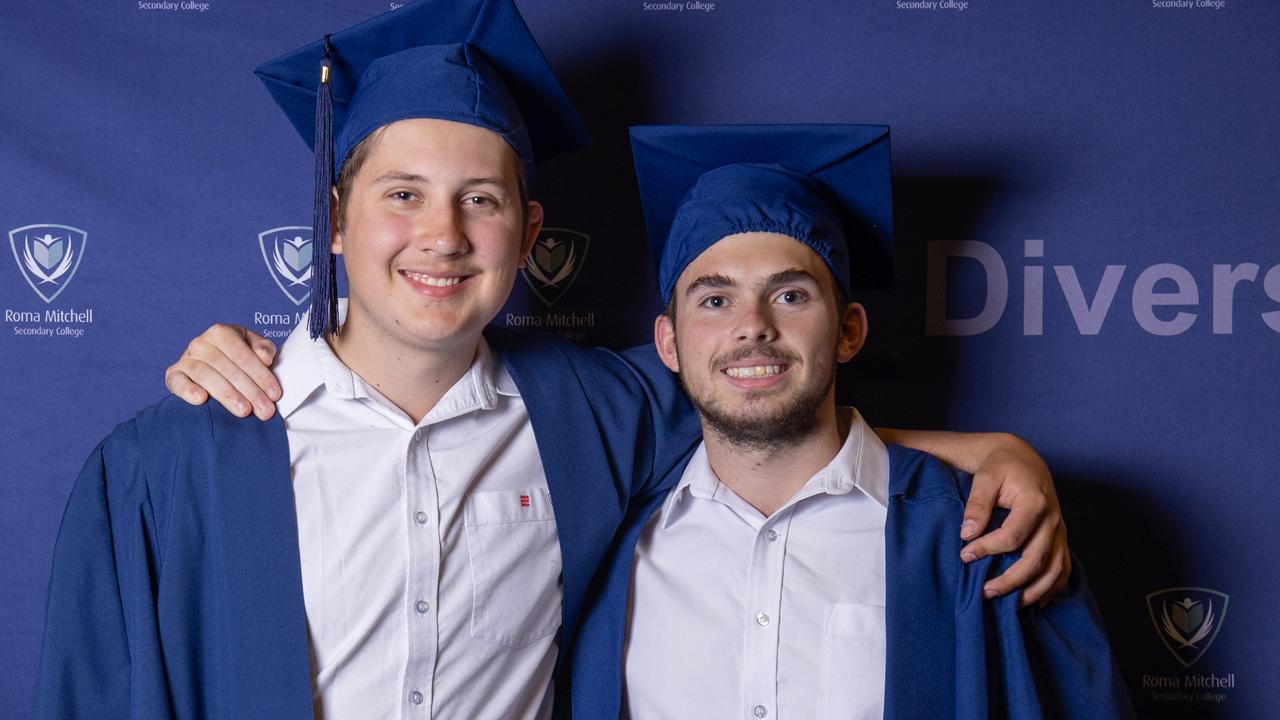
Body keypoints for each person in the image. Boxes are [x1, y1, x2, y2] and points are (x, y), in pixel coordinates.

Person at [37, 1, 1068, 718]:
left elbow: (763, 420)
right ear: (334, 221)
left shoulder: (590, 409)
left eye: (480, 200)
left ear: (528, 235)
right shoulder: (169, 465)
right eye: (401, 194)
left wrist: (993, 451)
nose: (442, 236)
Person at [567, 124, 1133, 719]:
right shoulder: (603, 540)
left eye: (790, 296)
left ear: (849, 331)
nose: (752, 325)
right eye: (715, 300)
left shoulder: (979, 535)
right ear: (669, 343)